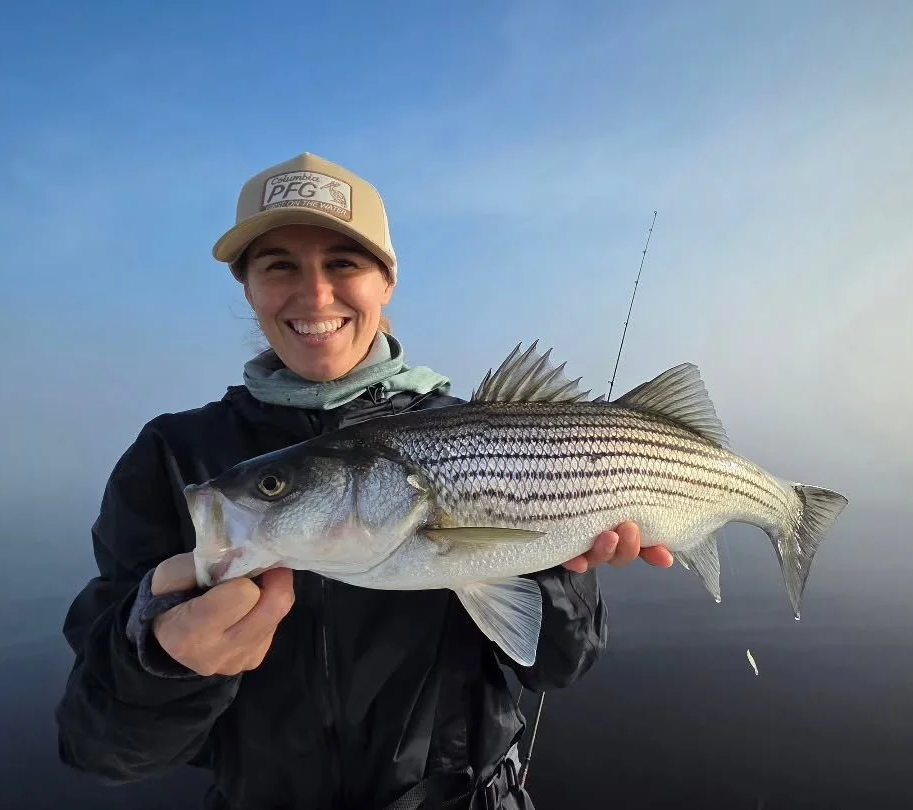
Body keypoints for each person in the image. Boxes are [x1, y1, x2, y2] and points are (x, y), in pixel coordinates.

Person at [54, 152, 675, 810]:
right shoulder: (173, 457)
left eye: (343, 263)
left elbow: (559, 665)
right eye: (279, 265)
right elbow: (98, 750)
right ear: (248, 289)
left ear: (387, 281)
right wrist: (159, 661)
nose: (315, 294)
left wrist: (557, 555)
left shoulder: (490, 433)